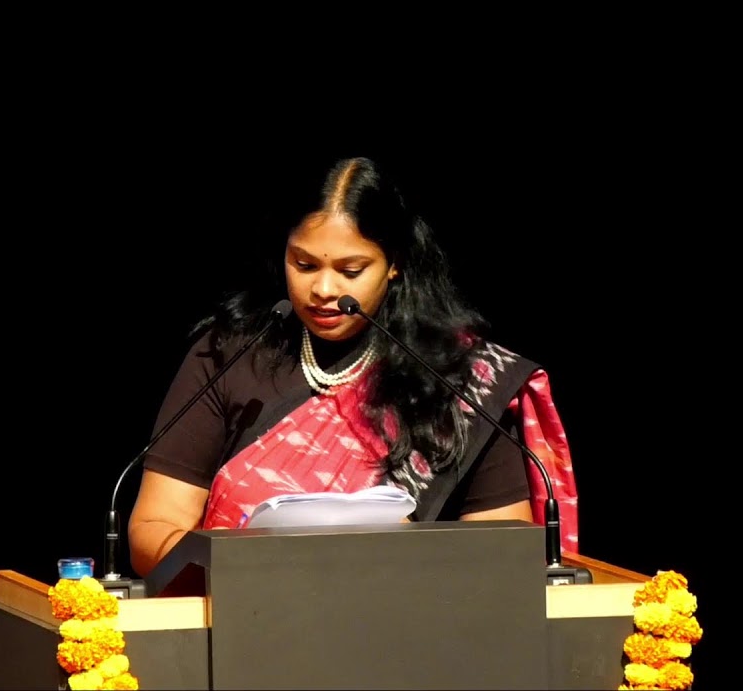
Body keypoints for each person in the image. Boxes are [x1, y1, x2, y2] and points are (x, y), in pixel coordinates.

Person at [127, 156, 578, 578]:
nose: (323, 288)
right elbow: (153, 527)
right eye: (303, 264)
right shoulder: (231, 354)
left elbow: (506, 550)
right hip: (240, 619)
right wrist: (228, 562)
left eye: (351, 269)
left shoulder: (460, 376)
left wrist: (404, 553)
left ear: (395, 264)